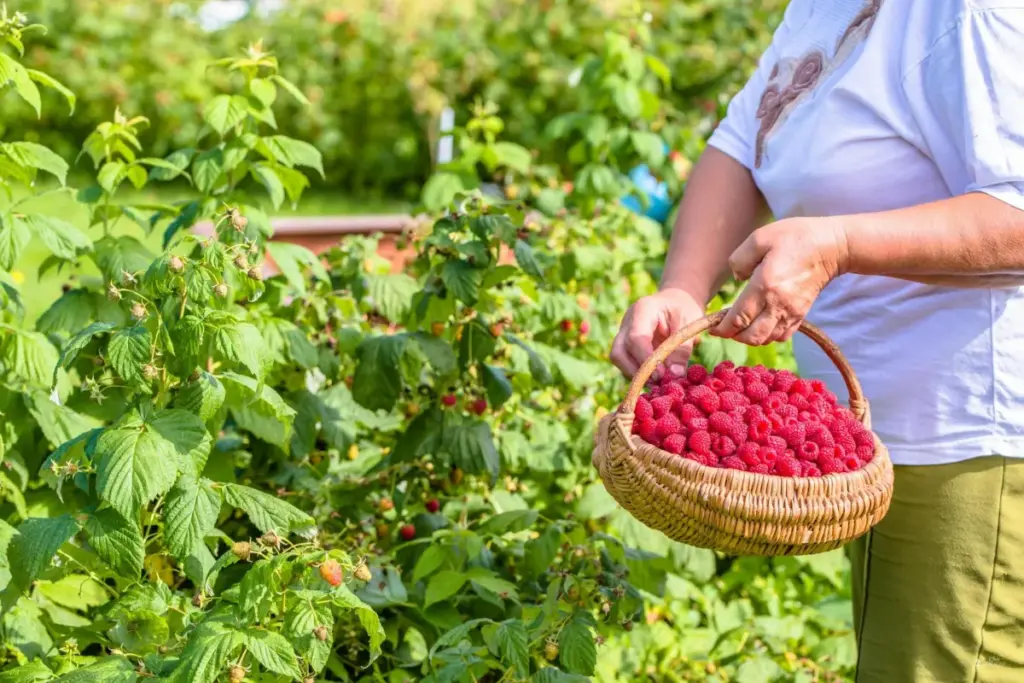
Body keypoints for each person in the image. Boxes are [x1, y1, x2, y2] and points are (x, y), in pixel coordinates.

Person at [609, 1, 1024, 681]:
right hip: (872, 446)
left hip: (969, 442)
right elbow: (743, 142)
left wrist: (837, 243)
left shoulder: (971, 12)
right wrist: (685, 287)